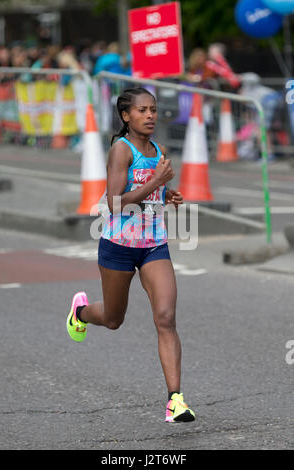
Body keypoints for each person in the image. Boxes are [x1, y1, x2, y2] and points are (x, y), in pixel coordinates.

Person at [66, 87, 196, 423]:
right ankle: (80, 313)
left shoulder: (157, 150)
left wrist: (166, 194)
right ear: (126, 116)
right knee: (113, 319)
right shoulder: (120, 150)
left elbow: (151, 189)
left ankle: (175, 401)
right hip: (119, 246)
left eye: (153, 109)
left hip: (154, 244)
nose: (150, 115)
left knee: (166, 317)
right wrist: (156, 184)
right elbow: (113, 203)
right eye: (142, 110)